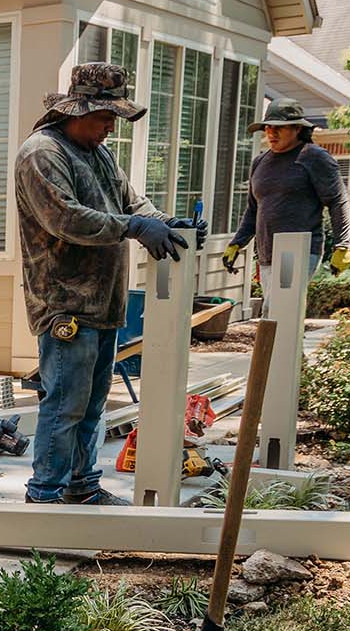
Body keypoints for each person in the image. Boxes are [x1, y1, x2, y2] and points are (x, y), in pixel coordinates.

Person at [15, 62, 207, 506]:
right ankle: (44, 498)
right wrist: (135, 227)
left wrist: (166, 223)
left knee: (92, 407)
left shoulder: (98, 155)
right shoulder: (43, 153)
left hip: (104, 304)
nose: (110, 128)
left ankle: (82, 488)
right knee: (65, 407)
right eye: (105, 117)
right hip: (65, 304)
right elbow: (66, 219)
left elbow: (132, 202)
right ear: (78, 111)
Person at [220, 100, 350, 313]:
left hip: (296, 250)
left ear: (297, 128)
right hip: (267, 252)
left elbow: (338, 200)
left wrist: (342, 245)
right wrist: (237, 243)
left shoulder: (314, 157)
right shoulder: (260, 162)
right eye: (268, 127)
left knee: (277, 312)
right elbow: (254, 209)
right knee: (279, 315)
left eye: (279, 128)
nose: (271, 133)